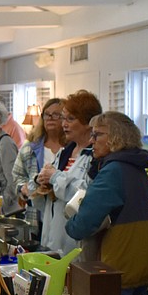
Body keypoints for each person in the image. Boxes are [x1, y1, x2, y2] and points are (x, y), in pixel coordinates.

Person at [65, 112, 148, 295]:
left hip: (117, 265)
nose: (92, 140)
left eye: (97, 135)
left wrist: (70, 223)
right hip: (141, 260)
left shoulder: (113, 171)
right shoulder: (137, 167)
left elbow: (83, 225)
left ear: (117, 138)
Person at [37, 91, 102, 254]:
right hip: (52, 234)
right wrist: (43, 182)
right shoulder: (65, 152)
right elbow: (53, 187)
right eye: (63, 118)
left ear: (89, 122)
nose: (64, 124)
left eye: (70, 119)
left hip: (74, 241)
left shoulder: (95, 158)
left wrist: (55, 178)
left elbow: (84, 196)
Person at [12, 98, 67, 233]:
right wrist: (23, 188)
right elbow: (17, 176)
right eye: (47, 114)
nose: (50, 118)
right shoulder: (30, 148)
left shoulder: (72, 148)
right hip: (38, 215)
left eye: (56, 115)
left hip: (65, 213)